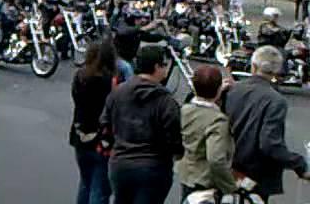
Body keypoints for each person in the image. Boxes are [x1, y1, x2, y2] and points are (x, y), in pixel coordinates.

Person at [224, 45, 310, 202]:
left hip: (227, 167)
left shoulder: (232, 90)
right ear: (276, 72)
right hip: (255, 175)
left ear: (253, 66)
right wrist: (299, 164)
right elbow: (269, 144)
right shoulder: (276, 100)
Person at [100, 45, 183, 204]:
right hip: (153, 168)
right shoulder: (165, 101)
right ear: (157, 67)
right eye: (164, 65)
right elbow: (173, 137)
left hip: (120, 165)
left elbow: (105, 124)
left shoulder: (118, 93)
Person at [69, 34, 117, 204]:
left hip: (80, 135)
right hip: (101, 140)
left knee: (85, 183)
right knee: (100, 188)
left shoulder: (80, 77)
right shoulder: (109, 82)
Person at [177, 65, 237, 201]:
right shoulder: (217, 120)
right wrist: (230, 186)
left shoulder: (185, 110)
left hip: (188, 175)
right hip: (206, 182)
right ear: (218, 90)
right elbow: (216, 159)